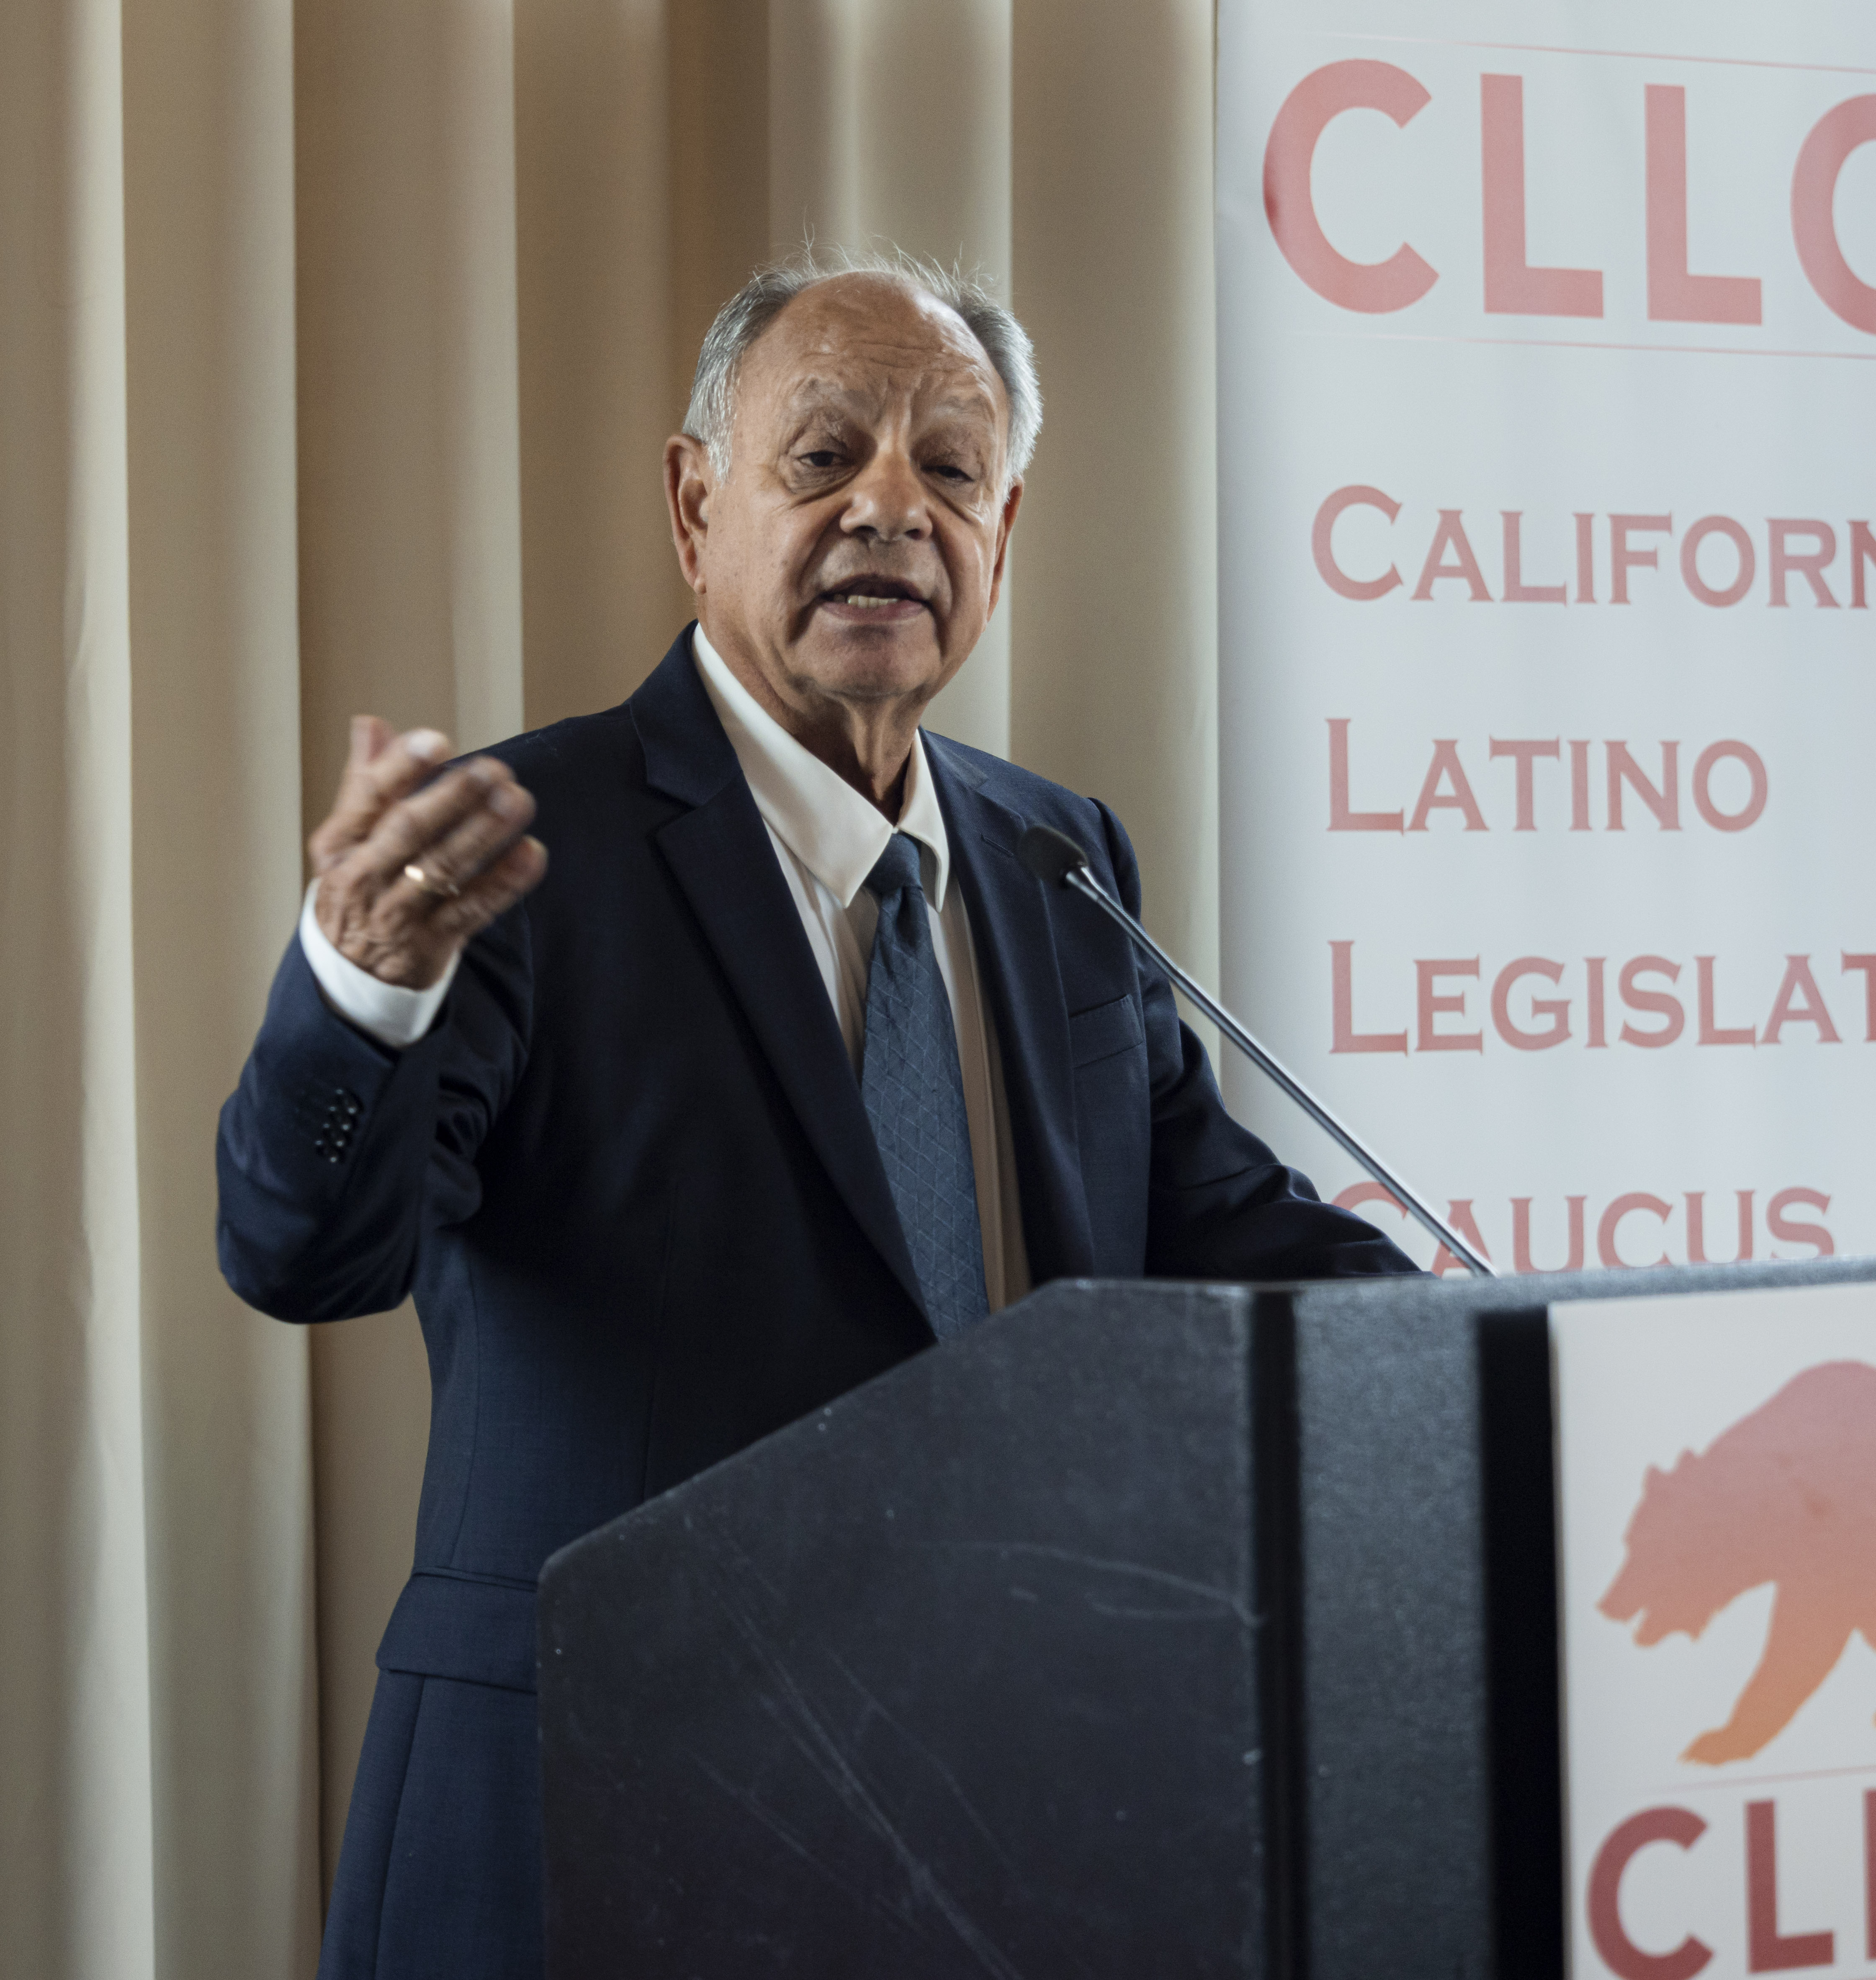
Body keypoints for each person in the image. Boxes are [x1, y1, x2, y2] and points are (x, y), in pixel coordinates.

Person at [214, 247, 1418, 1980]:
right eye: (826, 454)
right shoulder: (522, 845)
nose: (893, 509)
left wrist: (1504, 1349)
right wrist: (360, 991)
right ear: (696, 507)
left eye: (952, 469)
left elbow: (1213, 1227)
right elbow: (306, 1253)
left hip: (997, 1795)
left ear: (1005, 528)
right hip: (597, 1797)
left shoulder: (1058, 854)